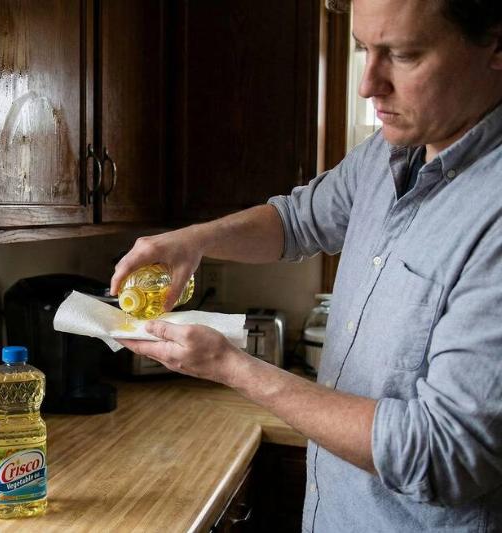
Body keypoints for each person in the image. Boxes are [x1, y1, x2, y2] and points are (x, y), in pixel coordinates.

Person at [111, 0, 502, 531]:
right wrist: (192, 241)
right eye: (364, 50)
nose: (368, 86)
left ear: (496, 45)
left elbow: (442, 453)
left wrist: (234, 368)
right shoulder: (386, 154)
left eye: (404, 55)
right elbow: (296, 221)